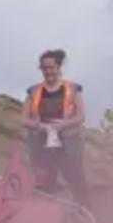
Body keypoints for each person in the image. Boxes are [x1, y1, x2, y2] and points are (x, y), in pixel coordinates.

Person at [22, 48, 89, 206]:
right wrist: (39, 125)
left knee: (76, 179)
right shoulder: (33, 91)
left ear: (58, 68)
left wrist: (63, 125)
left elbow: (81, 116)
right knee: (45, 182)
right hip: (42, 142)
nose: (48, 71)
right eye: (44, 68)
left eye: (51, 67)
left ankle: (86, 213)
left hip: (69, 142)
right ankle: (46, 219)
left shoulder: (73, 89)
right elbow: (23, 119)